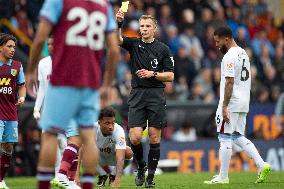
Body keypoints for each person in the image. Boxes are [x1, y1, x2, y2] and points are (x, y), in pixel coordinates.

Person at [26, 0, 120, 189]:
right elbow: (114, 51)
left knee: (50, 134)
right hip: (90, 82)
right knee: (86, 136)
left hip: (63, 79)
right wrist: (108, 84)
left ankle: (47, 183)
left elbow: (40, 37)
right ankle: (86, 185)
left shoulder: (59, 2)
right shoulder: (103, 6)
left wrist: (29, 71)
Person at [204, 26, 271, 184]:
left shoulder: (229, 56)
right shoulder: (243, 53)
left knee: (224, 138)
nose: (217, 44)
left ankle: (223, 176)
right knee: (237, 136)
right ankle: (262, 164)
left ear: (226, 38)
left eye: (218, 41)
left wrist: (224, 106)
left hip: (232, 102)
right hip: (243, 101)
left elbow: (229, 82)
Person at [116, 10, 175, 188]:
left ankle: (150, 177)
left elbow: (171, 76)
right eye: (142, 26)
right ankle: (141, 166)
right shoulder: (134, 44)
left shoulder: (163, 49)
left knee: (154, 137)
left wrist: (152, 74)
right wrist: (119, 24)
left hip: (156, 94)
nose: (144, 29)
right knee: (134, 137)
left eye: (148, 26)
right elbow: (118, 40)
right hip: (137, 94)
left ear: (154, 28)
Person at [32, 37, 81, 189]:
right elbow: (42, 89)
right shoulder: (43, 63)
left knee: (71, 142)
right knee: (60, 144)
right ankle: (60, 177)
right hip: (51, 110)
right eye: (49, 44)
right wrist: (36, 107)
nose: (51, 46)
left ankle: (68, 180)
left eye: (54, 43)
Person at [0, 33, 26, 189]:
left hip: (11, 112)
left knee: (8, 146)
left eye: (14, 47)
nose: (12, 50)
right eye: (9, 46)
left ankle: (1, 180)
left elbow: (22, 85)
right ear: (0, 47)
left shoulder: (17, 66)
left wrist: (22, 97)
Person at [94, 107, 133, 187]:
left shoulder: (119, 130)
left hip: (113, 156)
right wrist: (76, 176)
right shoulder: (92, 129)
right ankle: (102, 175)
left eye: (113, 123)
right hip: (98, 158)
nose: (111, 126)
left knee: (128, 152)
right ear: (99, 123)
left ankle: (113, 175)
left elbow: (120, 157)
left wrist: (117, 178)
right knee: (83, 150)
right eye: (107, 123)